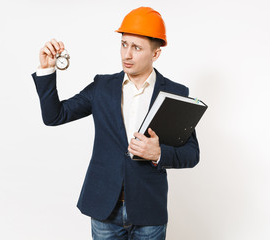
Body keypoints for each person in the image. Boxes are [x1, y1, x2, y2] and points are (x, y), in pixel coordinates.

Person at [32, 6, 199, 240]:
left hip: (149, 211)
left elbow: (192, 154)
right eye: (124, 44)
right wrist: (47, 70)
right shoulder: (102, 87)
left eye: (137, 47)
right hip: (104, 210)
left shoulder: (174, 93)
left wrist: (159, 153)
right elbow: (54, 116)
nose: (126, 55)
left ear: (156, 53)